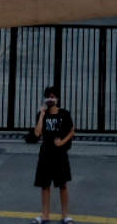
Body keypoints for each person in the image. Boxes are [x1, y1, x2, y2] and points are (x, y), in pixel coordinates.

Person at [34, 85, 76, 223]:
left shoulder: (64, 114)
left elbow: (72, 131)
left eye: (53, 97)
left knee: (62, 185)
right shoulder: (42, 115)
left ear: (57, 98)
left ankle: (65, 215)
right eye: (48, 97)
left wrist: (62, 142)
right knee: (45, 185)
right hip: (45, 153)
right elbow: (37, 133)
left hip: (60, 155)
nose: (50, 99)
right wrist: (41, 114)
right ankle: (45, 215)